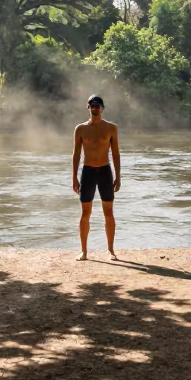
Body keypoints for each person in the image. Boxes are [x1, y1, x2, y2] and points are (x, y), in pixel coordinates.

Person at [72, 95, 121, 261]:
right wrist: (74, 178)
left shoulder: (111, 128)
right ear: (88, 107)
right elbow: (76, 154)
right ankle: (84, 251)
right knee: (86, 212)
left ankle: (111, 250)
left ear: (102, 108)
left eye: (98, 106)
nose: (95, 109)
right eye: (92, 106)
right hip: (88, 172)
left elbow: (115, 153)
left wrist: (118, 176)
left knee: (108, 211)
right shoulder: (80, 129)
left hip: (105, 171)